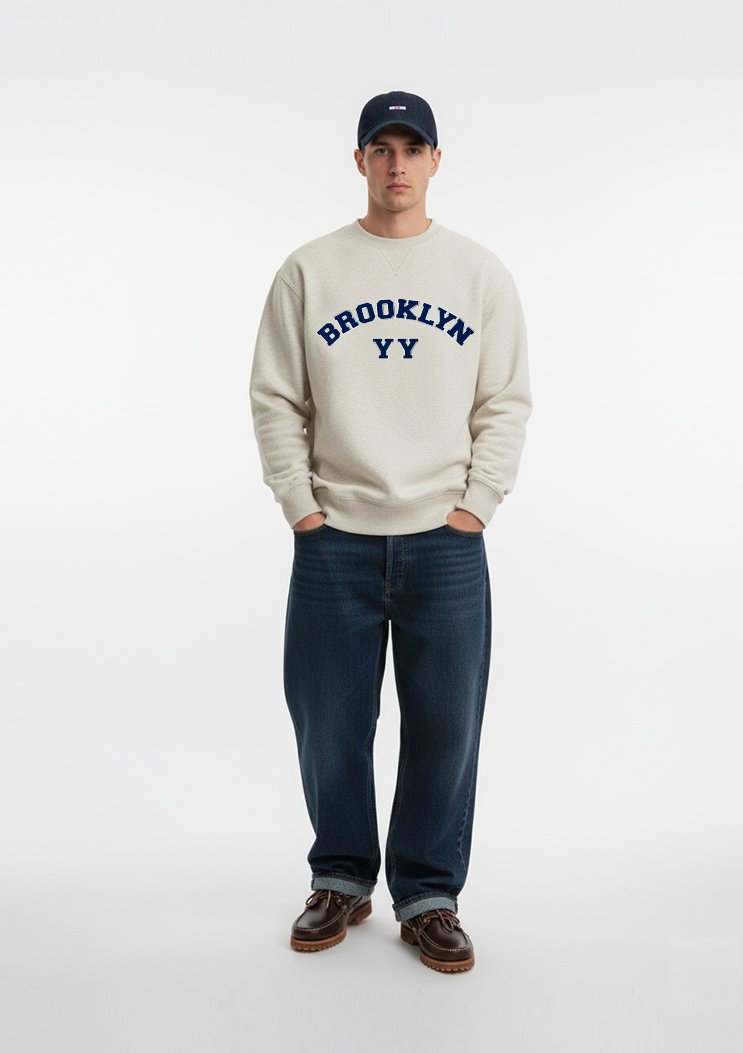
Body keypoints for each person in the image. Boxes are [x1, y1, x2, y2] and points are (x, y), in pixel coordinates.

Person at [248, 90, 533, 973]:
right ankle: (339, 876)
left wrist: (476, 504)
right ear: (361, 160)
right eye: (383, 147)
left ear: (436, 161)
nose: (398, 163)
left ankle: (429, 893)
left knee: (446, 726)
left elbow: (505, 400)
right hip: (334, 538)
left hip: (445, 542)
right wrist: (301, 505)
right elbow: (275, 397)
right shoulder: (310, 270)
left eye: (413, 148)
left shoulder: (478, 274)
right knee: (328, 724)